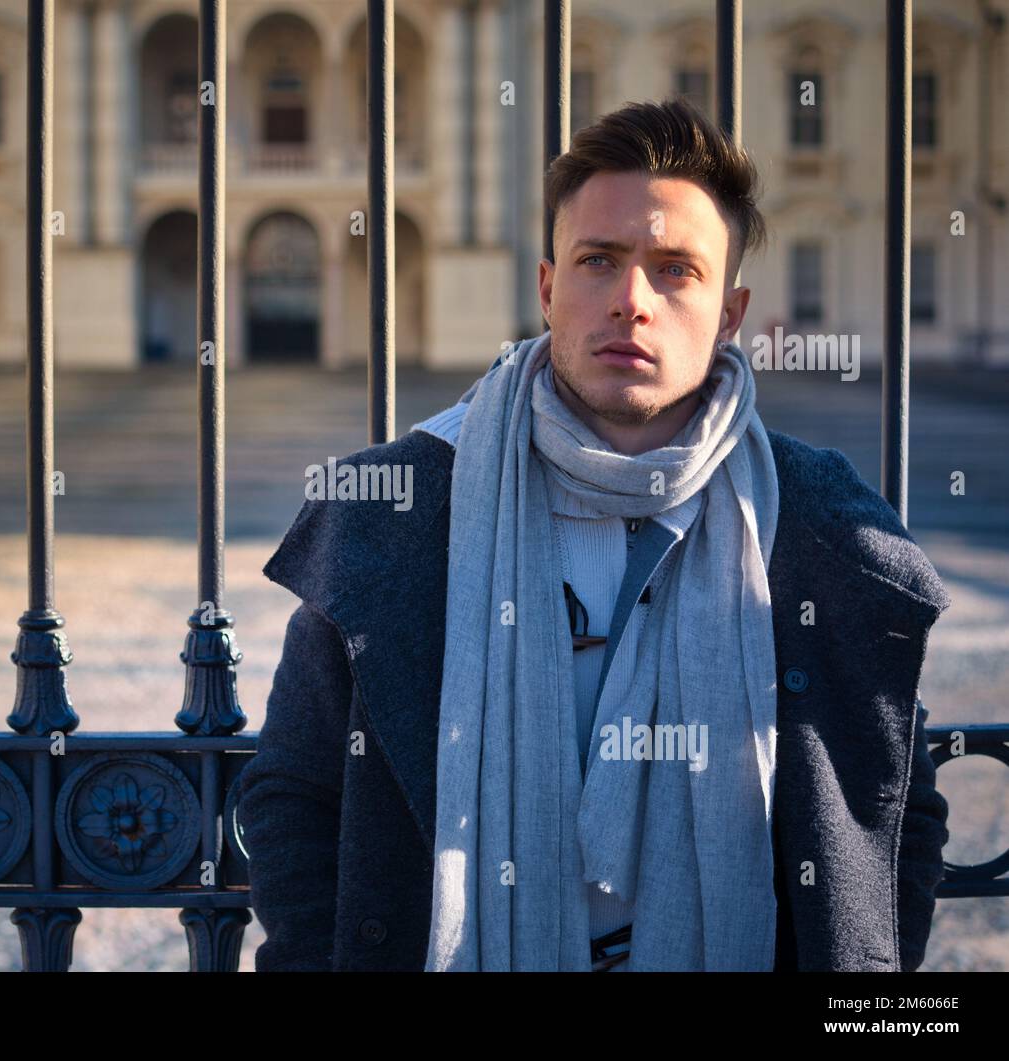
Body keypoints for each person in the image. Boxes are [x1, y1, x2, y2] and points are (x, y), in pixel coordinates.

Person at [237, 97, 951, 972]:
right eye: (599, 261)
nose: (631, 301)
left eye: (676, 270)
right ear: (547, 288)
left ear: (731, 312)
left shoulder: (819, 522)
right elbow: (294, 794)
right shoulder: (399, 508)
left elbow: (896, 801)